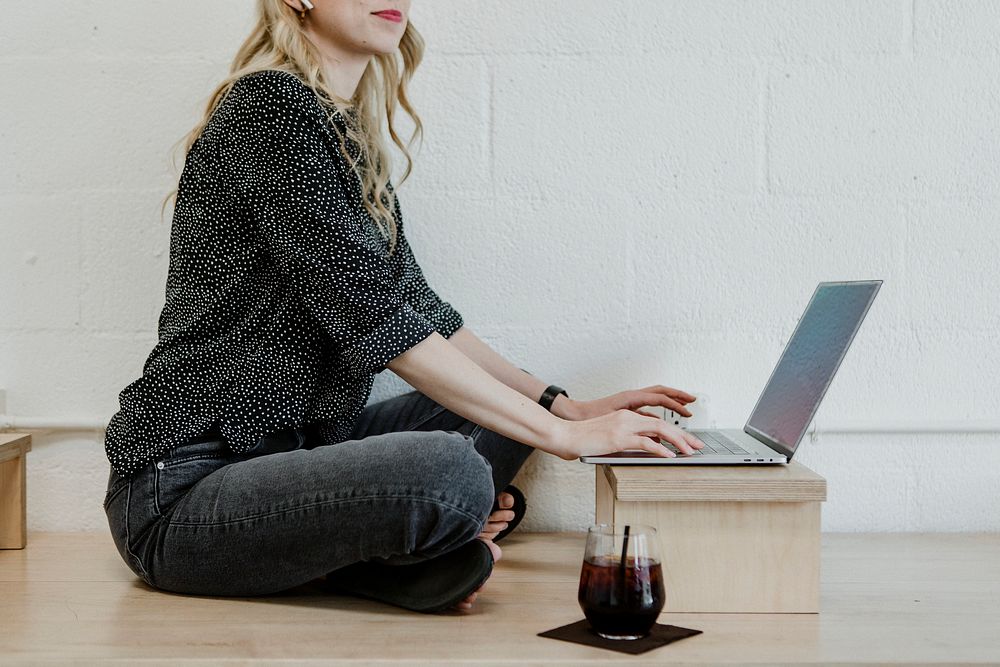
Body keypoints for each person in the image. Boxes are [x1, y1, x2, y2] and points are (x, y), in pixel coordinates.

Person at [101, 0, 704, 614]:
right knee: (452, 473)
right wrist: (566, 438)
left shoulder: (340, 130)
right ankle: (402, 541)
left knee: (496, 421)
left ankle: (386, 548)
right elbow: (378, 324)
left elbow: (418, 309)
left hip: (297, 457)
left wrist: (563, 407)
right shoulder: (271, 110)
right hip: (183, 494)